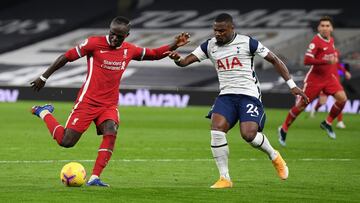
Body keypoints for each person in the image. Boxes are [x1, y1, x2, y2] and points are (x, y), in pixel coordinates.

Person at [30, 16, 190, 187]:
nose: (114, 38)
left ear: (127, 36)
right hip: (88, 101)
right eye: (112, 34)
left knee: (111, 130)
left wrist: (174, 44)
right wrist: (43, 76)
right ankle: (43, 112)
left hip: (109, 104)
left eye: (119, 36)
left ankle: (94, 178)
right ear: (109, 30)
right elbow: (66, 57)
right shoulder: (93, 43)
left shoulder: (129, 50)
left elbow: (155, 54)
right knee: (66, 142)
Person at [166, 13, 308, 189]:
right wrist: (177, 58)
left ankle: (274, 156)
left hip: (249, 95)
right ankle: (224, 178)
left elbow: (274, 59)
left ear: (232, 28)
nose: (218, 34)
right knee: (216, 129)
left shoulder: (248, 42)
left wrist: (292, 85)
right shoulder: (209, 45)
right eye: (215, 30)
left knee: (249, 135)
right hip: (226, 95)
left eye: (222, 31)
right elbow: (185, 62)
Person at [278, 16, 348, 146]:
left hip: (329, 79)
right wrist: (325, 61)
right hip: (314, 80)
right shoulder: (316, 42)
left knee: (342, 99)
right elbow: (306, 60)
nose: (325, 28)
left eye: (327, 26)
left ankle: (327, 123)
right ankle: (283, 128)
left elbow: (333, 60)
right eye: (323, 26)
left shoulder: (331, 40)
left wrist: (339, 69)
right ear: (318, 28)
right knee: (301, 106)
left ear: (331, 28)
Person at [310, 55, 351, 129]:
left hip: (335, 82)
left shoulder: (335, 52)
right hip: (325, 81)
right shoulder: (323, 53)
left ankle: (340, 122)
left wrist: (345, 72)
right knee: (323, 102)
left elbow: (338, 65)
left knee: (339, 101)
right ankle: (315, 109)